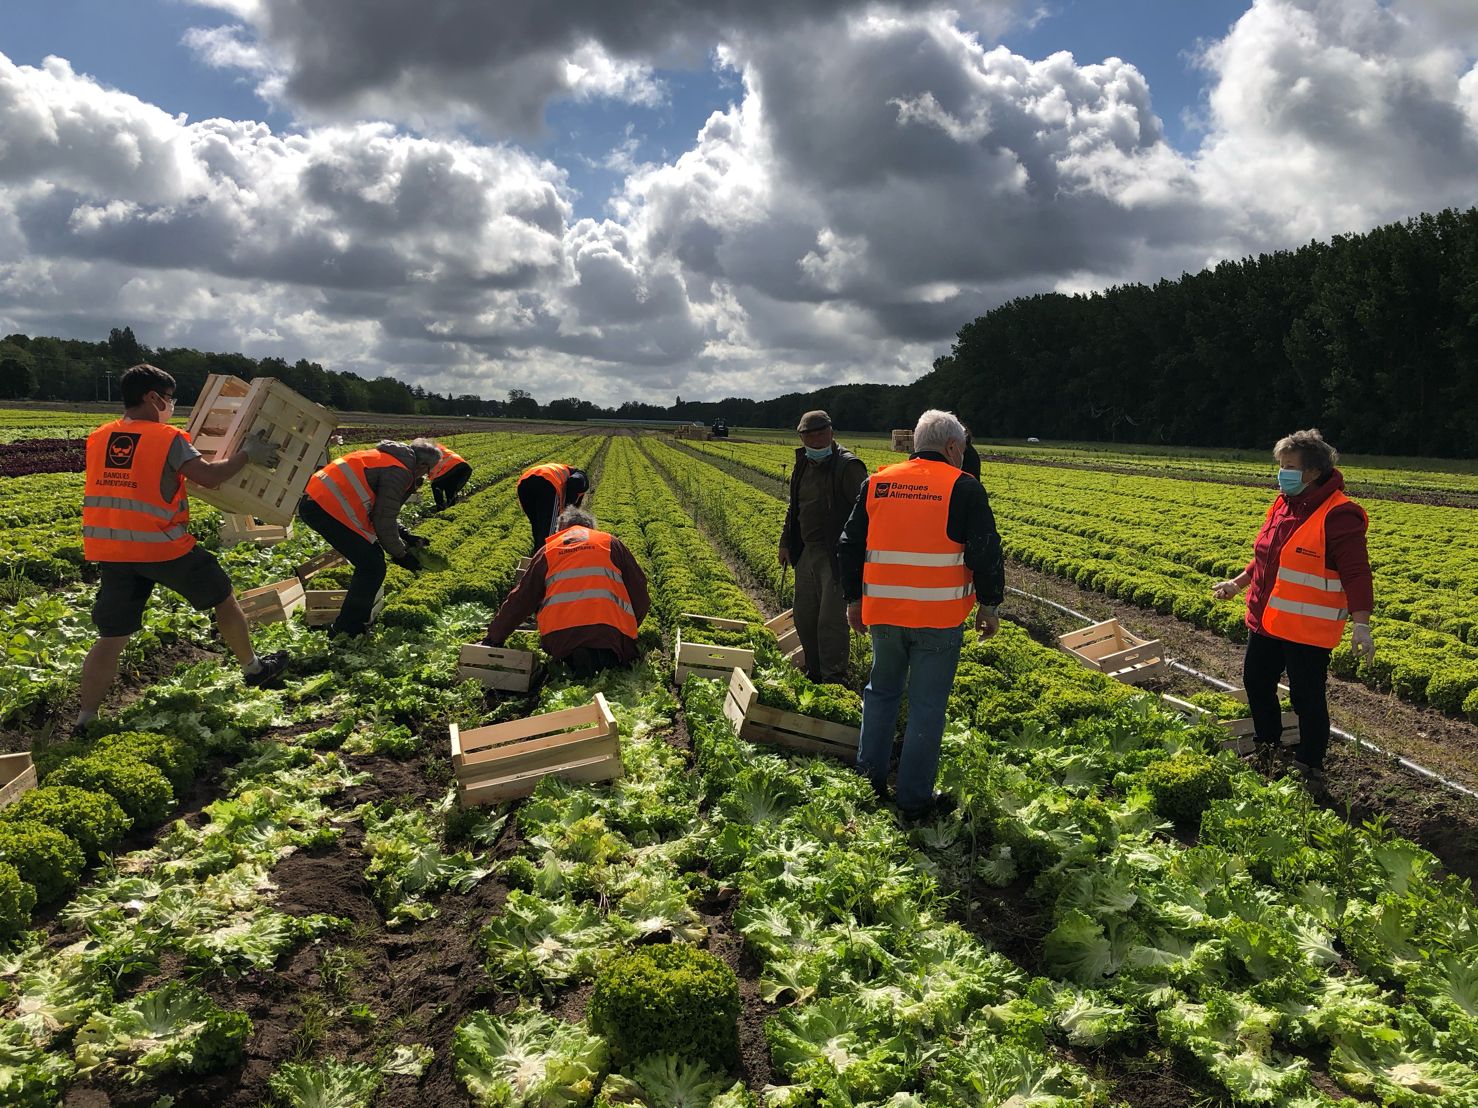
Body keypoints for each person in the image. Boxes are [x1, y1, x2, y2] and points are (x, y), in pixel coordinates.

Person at [77, 364, 289, 731]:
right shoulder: (167, 437)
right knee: (224, 597)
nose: (171, 405)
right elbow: (207, 477)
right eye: (169, 398)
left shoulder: (99, 436)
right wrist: (247, 455)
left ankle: (86, 719)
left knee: (111, 637)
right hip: (162, 546)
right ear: (152, 397)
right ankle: (254, 670)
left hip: (110, 549)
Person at [837, 409, 1005, 820]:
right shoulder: (963, 488)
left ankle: (868, 782)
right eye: (962, 450)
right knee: (927, 707)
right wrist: (990, 603)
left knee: (881, 695)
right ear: (952, 447)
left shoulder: (878, 482)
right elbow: (985, 550)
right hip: (938, 620)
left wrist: (854, 600)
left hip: (885, 616)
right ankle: (912, 801)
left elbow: (848, 544)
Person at [1212, 429, 1374, 782]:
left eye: (1289, 466)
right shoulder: (1284, 502)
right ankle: (1268, 750)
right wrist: (1238, 583)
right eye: (1280, 465)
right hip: (1267, 618)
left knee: (1307, 699)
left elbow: (1357, 573)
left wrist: (1361, 623)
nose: (1281, 473)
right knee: (1256, 682)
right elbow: (1269, 558)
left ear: (1313, 472)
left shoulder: (1340, 515)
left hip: (1307, 628)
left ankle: (1309, 766)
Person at [297, 437, 442, 637]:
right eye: (428, 470)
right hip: (325, 507)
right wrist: (401, 555)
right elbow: (382, 519)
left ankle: (350, 625)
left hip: (319, 501)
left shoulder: (389, 459)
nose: (426, 475)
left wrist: (406, 536)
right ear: (423, 465)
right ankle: (347, 630)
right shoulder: (399, 472)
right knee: (372, 565)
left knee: (371, 558)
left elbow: (383, 512)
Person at [483, 506, 650, 676]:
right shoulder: (610, 543)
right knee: (608, 673)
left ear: (562, 529)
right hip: (610, 637)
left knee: (572, 672)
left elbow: (521, 599)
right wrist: (628, 630)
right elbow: (640, 595)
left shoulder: (548, 550)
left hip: (561, 641)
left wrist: (494, 638)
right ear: (590, 528)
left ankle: (576, 660)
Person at [777, 410, 868, 685]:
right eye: (809, 435)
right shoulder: (802, 464)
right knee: (805, 616)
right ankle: (814, 672)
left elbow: (864, 513)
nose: (816, 440)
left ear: (831, 432)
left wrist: (854, 557)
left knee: (830, 621)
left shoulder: (848, 466)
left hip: (835, 554)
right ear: (801, 438)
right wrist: (785, 541)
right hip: (806, 551)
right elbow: (795, 507)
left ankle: (834, 678)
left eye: (821, 433)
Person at [517, 462, 590, 551]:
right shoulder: (581, 476)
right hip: (548, 483)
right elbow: (575, 481)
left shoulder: (563, 469)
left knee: (537, 525)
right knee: (548, 531)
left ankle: (537, 553)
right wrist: (567, 505)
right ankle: (546, 556)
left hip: (524, 482)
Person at [428, 442, 472, 510]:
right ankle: (452, 507)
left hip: (451, 466)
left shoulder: (427, 453)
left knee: (436, 485)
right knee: (450, 486)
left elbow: (432, 471)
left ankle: (440, 508)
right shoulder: (437, 447)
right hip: (462, 465)